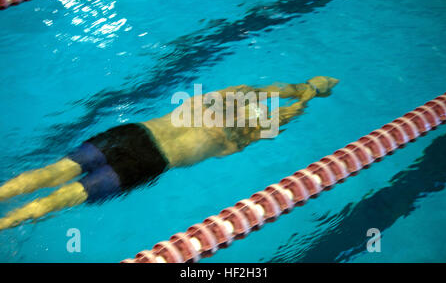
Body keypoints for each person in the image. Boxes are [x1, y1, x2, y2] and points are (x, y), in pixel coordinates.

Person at [0, 76, 338, 230]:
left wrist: (302, 86)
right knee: (68, 196)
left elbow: (266, 90)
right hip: (149, 161)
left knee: (53, 172)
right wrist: (310, 96)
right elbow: (284, 114)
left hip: (132, 133)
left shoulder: (214, 99)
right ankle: (6, 223)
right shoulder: (236, 139)